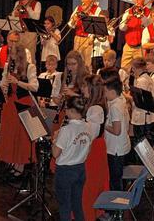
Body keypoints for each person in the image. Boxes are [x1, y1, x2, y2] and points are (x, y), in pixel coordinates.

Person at [52, 95, 93, 221]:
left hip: (65, 172)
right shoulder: (88, 127)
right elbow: (89, 149)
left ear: (70, 111)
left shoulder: (66, 130)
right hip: (80, 169)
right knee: (77, 204)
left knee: (65, 206)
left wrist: (54, 139)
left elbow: (55, 154)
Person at [0, 43, 39, 167]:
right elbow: (3, 83)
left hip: (23, 102)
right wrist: (3, 87)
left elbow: (35, 87)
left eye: (12, 52)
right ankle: (11, 160)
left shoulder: (29, 67)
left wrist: (18, 82)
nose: (10, 54)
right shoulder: (8, 66)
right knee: (10, 133)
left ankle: (20, 164)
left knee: (21, 135)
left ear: (19, 54)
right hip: (10, 103)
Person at [81, 75, 109, 221]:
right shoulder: (94, 106)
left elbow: (90, 135)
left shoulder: (96, 109)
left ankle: (88, 214)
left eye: (85, 86)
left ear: (92, 89)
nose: (82, 89)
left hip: (93, 151)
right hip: (95, 148)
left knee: (89, 185)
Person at [103, 76, 130, 191]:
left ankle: (116, 205)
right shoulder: (121, 100)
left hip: (115, 149)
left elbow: (116, 131)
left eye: (105, 92)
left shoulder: (115, 107)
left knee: (115, 180)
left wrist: (103, 124)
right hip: (121, 146)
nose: (104, 94)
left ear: (113, 92)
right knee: (117, 178)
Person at [68, 0, 102, 69]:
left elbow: (95, 26)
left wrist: (91, 37)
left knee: (87, 63)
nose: (82, 1)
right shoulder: (78, 8)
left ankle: (87, 80)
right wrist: (74, 20)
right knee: (76, 61)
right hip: (77, 38)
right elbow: (70, 25)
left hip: (88, 38)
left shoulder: (97, 9)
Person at [119, 0, 150, 71]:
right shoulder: (128, 12)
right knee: (124, 70)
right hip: (128, 46)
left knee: (140, 71)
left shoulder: (148, 13)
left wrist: (142, 15)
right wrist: (127, 20)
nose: (136, 2)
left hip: (140, 48)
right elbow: (121, 28)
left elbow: (148, 27)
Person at [11, 0, 41, 65]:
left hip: (30, 33)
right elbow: (12, 16)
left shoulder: (37, 4)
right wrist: (15, 13)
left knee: (30, 57)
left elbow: (36, 17)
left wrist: (27, 8)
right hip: (19, 32)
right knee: (17, 56)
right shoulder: (18, 3)